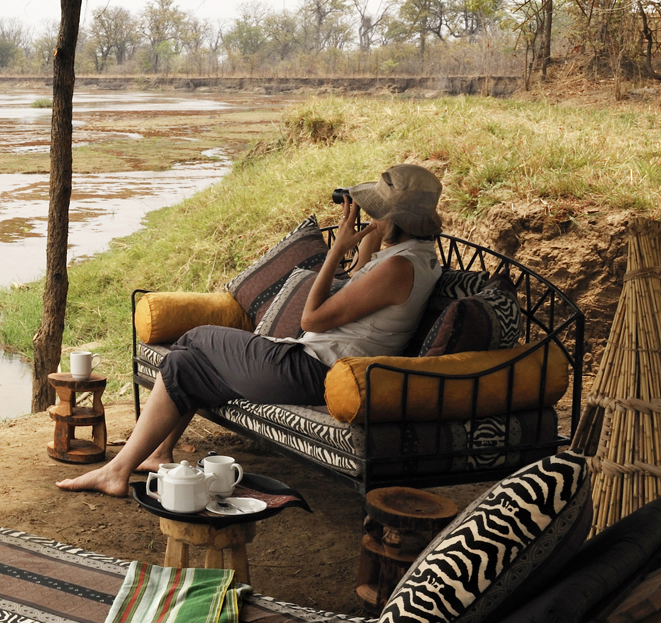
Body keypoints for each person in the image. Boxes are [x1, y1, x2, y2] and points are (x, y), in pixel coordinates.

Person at [57, 163, 445, 497]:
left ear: (396, 220)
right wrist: (368, 244)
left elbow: (311, 319)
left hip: (313, 370)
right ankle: (136, 464)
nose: (371, 219)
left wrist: (332, 252)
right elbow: (360, 291)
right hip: (314, 365)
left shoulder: (399, 267)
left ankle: (126, 466)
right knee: (185, 367)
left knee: (195, 338)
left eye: (379, 214)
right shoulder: (413, 258)